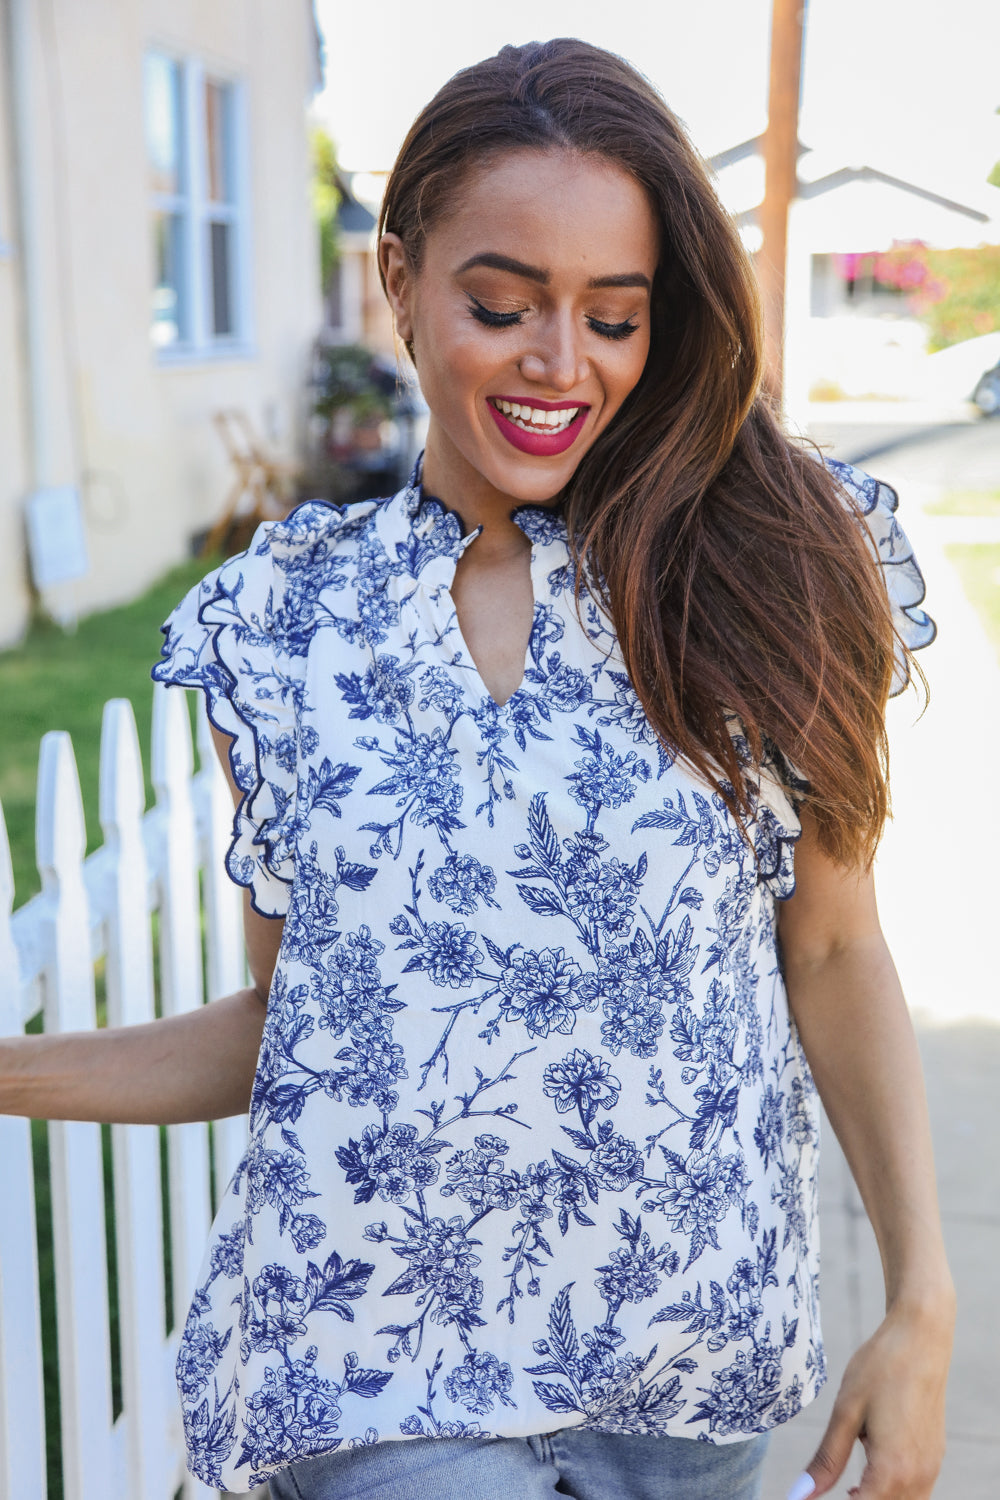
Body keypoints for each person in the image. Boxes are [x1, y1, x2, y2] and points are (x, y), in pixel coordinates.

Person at [1, 37, 953, 1500]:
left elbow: (830, 947)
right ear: (399, 283)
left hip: (695, 1371)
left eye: (615, 317)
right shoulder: (284, 626)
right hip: (386, 1371)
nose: (560, 365)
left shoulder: (770, 563)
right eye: (502, 305)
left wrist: (921, 1299)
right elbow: (292, 1025)